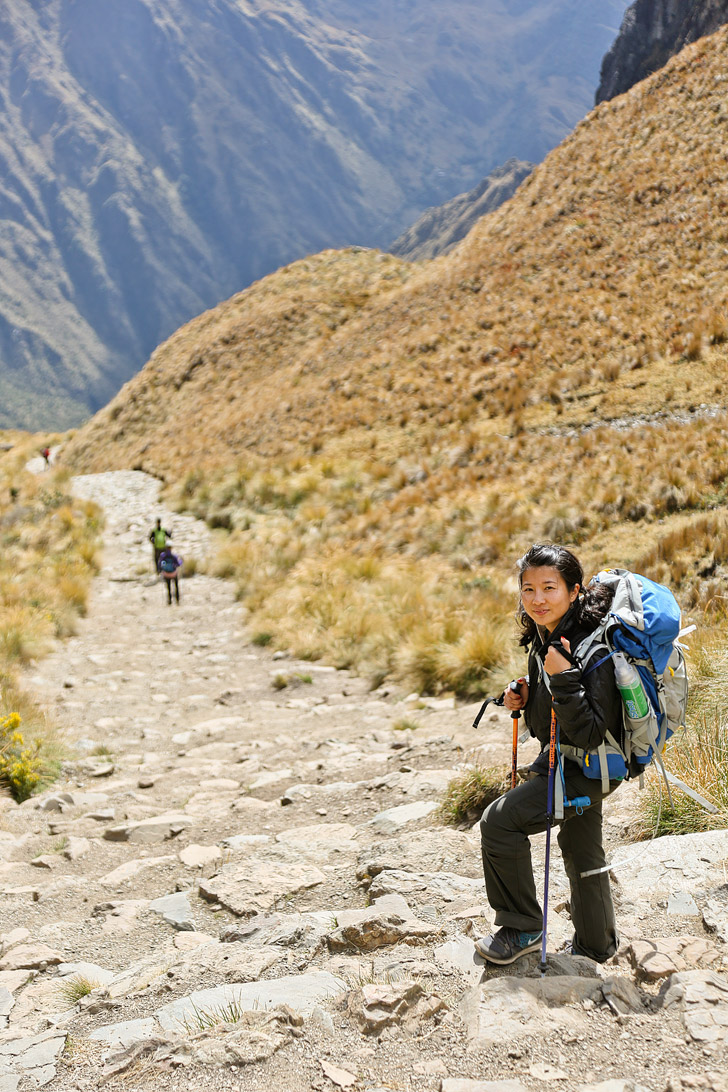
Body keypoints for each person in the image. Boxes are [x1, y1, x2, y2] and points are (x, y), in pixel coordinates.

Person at [475, 543, 623, 966]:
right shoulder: (549, 634)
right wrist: (525, 692)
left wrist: (562, 680)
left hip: (584, 765)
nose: (537, 599)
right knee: (581, 849)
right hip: (577, 763)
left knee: (500, 821)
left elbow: (592, 731)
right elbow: (556, 692)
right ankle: (596, 947)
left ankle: (521, 927)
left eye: (549, 588)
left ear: (574, 591)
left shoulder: (590, 647)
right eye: (528, 589)